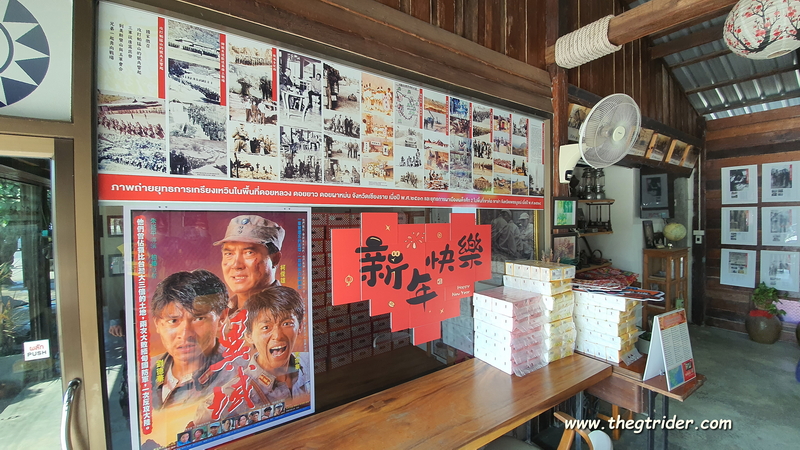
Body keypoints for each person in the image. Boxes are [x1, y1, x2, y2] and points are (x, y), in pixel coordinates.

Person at [149, 269, 232, 409]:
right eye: (173, 321)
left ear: (222, 317)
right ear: (157, 323)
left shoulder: (239, 375)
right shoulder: (146, 369)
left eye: (198, 318)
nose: (185, 334)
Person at [240, 286, 311, 405]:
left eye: (286, 324)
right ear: (249, 336)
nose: (278, 336)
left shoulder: (311, 362)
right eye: (266, 327)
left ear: (300, 327)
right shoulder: (234, 396)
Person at [214, 215, 286, 315]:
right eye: (229, 254)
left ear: (275, 259)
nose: (236, 265)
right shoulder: (221, 314)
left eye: (249, 253)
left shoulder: (286, 313)